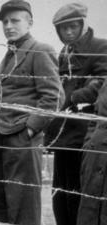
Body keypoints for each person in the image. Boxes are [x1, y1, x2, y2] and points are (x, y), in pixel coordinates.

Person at [0, 1, 64, 224]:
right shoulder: (9, 54)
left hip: (22, 138)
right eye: (5, 22)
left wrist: (29, 130)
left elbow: (53, 97)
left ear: (29, 22)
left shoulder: (40, 50)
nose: (9, 26)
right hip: (0, 137)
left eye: (15, 20)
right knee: (2, 203)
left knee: (23, 206)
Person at [48, 3, 107, 225]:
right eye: (64, 29)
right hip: (63, 134)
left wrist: (71, 97)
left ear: (83, 24)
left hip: (85, 135)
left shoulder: (100, 47)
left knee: (79, 198)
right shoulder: (64, 53)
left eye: (73, 27)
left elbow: (103, 84)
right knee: (60, 198)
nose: (69, 32)